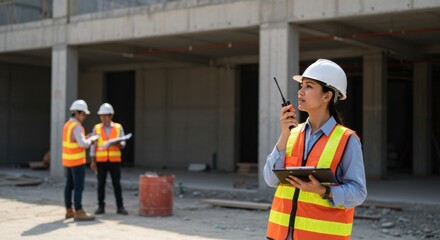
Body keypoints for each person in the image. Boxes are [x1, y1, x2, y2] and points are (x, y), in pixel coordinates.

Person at [264, 59, 367, 240]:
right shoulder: (291, 133)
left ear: (327, 96)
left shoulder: (347, 139)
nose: (300, 92)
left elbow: (358, 193)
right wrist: (283, 135)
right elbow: (270, 179)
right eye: (301, 85)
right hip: (280, 236)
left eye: (309, 86)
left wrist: (323, 191)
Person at [90, 103, 128, 215]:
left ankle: (120, 207)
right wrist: (92, 161)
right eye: (101, 115)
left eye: (105, 115)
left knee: (117, 184)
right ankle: (100, 207)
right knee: (101, 184)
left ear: (111, 116)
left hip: (114, 161)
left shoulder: (118, 127)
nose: (103, 118)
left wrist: (119, 144)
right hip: (101, 161)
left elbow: (123, 143)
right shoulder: (96, 128)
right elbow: (93, 146)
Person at [63, 99, 95, 221]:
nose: (84, 117)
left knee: (69, 186)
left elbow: (74, 141)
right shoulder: (77, 126)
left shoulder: (67, 125)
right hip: (77, 162)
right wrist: (90, 141)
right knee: (78, 187)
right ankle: (79, 211)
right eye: (83, 114)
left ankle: (69, 210)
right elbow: (82, 144)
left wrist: (84, 139)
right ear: (76, 113)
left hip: (68, 161)